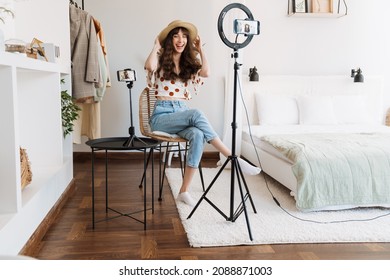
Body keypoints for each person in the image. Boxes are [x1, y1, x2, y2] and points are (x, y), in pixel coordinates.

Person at [144, 20, 261, 207]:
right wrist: (155, 45)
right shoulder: (159, 58)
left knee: (198, 134)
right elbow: (149, 66)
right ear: (169, 40)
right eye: (175, 35)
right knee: (196, 113)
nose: (180, 40)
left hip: (180, 113)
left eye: (184, 36)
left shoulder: (187, 63)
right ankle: (232, 157)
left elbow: (206, 72)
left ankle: (184, 191)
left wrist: (200, 50)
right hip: (162, 117)